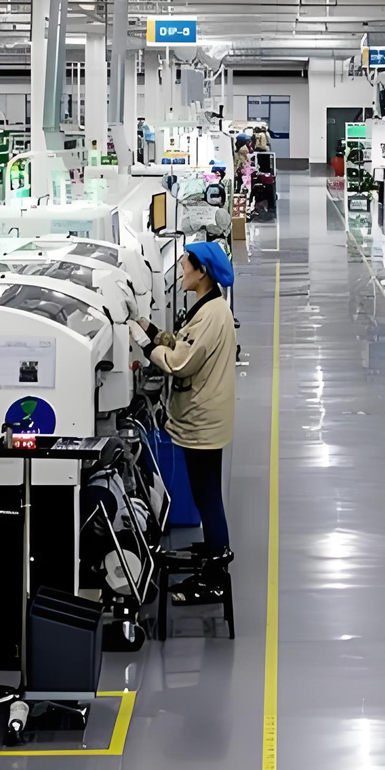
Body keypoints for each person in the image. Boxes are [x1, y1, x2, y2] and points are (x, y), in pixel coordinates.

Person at [141, 242, 238, 605]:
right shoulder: (208, 308)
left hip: (202, 419)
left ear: (202, 272)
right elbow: (183, 343)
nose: (181, 269)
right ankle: (214, 551)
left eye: (185, 264)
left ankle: (214, 576)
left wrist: (147, 348)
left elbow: (180, 363)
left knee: (207, 496)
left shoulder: (212, 314)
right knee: (206, 493)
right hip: (206, 416)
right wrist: (149, 329)